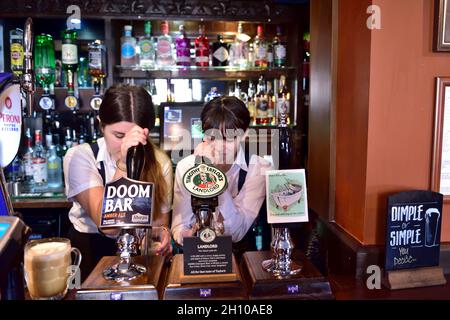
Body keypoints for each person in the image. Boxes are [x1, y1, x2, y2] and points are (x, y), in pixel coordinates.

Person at [63, 85, 173, 280]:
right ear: (101, 125)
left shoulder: (159, 161)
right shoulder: (80, 157)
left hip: (139, 258)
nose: (127, 145)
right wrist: (124, 164)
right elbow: (109, 226)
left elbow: (159, 224)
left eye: (136, 136)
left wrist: (161, 234)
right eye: (120, 136)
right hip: (91, 253)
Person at [171, 96, 273, 258]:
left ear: (244, 134)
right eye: (212, 137)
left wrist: (213, 175)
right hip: (196, 260)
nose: (219, 146)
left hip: (242, 260)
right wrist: (186, 235)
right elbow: (180, 226)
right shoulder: (186, 167)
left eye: (229, 138)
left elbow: (237, 232)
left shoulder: (259, 168)